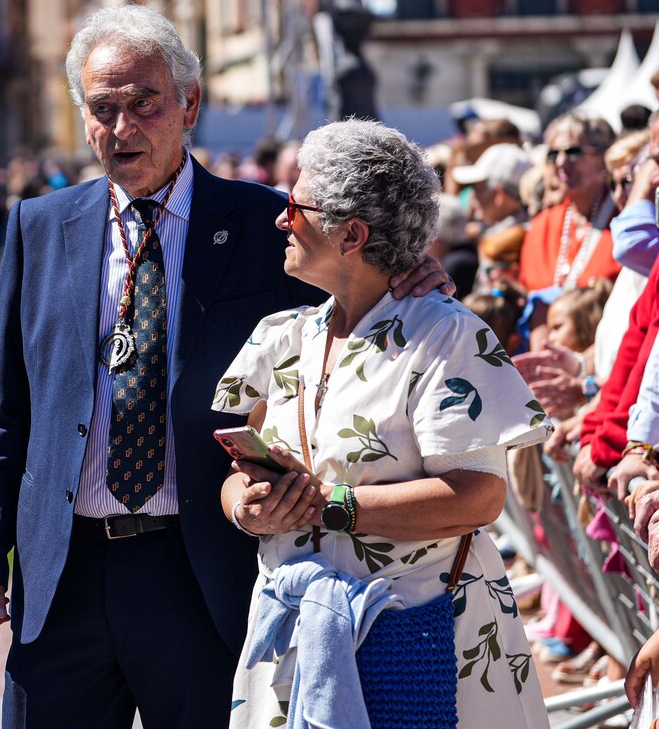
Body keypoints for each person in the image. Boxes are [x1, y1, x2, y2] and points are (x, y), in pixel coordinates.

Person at [0, 5, 451, 729]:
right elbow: (3, 407)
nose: (123, 128)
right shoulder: (40, 227)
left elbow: (363, 279)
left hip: (203, 570)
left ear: (188, 103)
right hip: (63, 575)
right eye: (103, 109)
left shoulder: (267, 225)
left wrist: (412, 273)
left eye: (143, 103)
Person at [214, 119, 549, 728]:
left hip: (418, 638)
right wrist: (248, 507)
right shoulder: (283, 336)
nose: (281, 218)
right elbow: (238, 474)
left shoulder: (443, 333)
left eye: (296, 204)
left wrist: (330, 506)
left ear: (353, 233)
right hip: (295, 639)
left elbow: (479, 495)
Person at [518, 114, 620, 292]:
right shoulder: (542, 225)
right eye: (553, 154)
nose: (561, 162)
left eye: (574, 153)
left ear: (605, 158)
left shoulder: (623, 222)